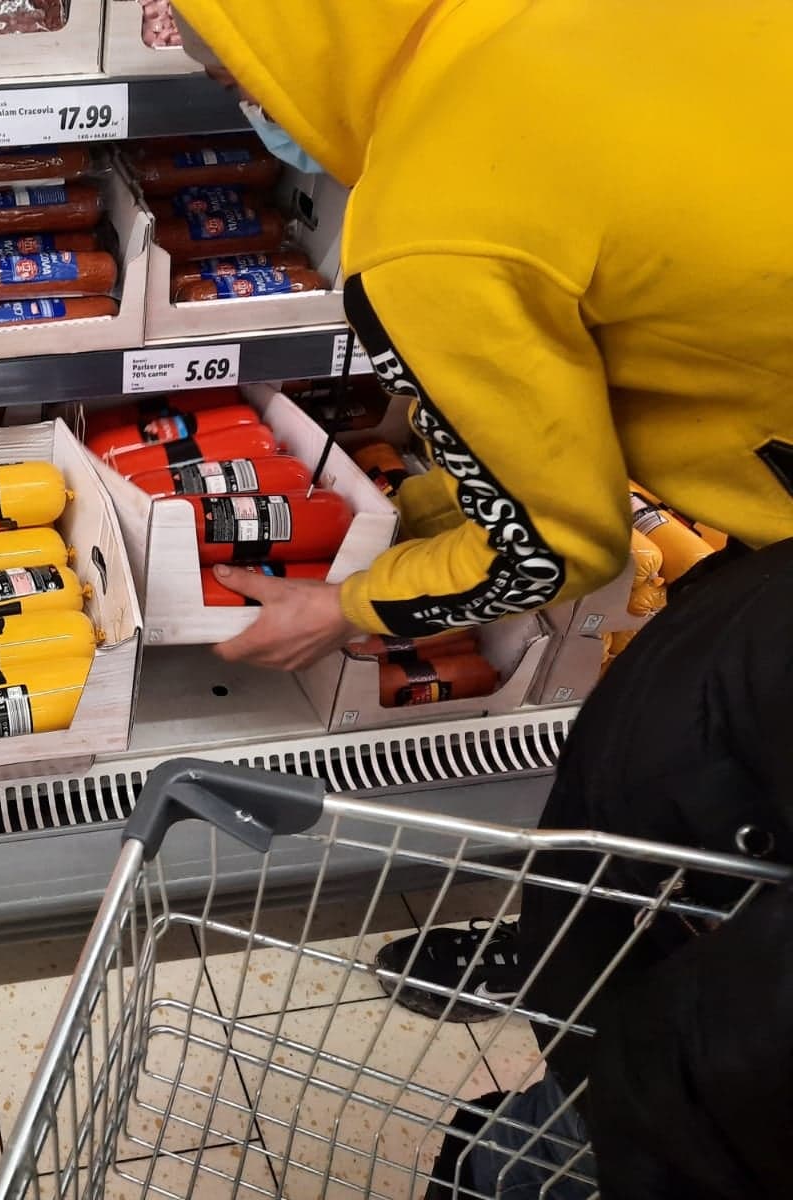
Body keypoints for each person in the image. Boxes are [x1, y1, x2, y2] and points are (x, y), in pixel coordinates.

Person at [168, 1, 793, 1194]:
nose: (243, 102)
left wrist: (345, 609)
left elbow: (553, 548)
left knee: (681, 835)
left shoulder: (431, 227)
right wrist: (432, 495)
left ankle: (584, 1105)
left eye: (229, 71)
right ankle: (574, 1058)